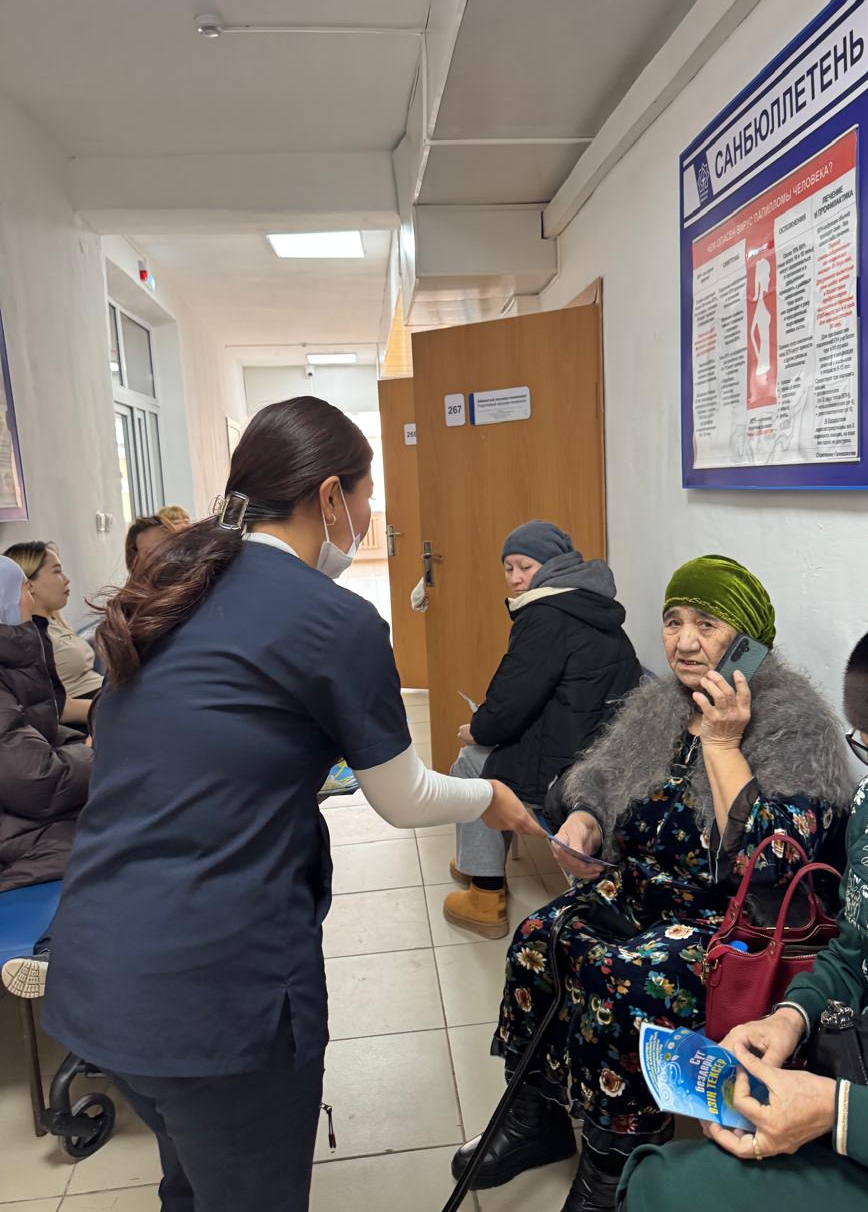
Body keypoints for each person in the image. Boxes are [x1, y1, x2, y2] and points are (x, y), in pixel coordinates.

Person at [41, 396, 541, 1212]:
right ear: (331, 496)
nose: (370, 518)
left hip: (98, 972)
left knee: (188, 1183)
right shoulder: (333, 620)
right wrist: (493, 797)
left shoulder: (173, 584)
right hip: (213, 996)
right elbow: (403, 794)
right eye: (369, 497)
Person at [452, 554, 854, 1212]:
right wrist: (586, 816)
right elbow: (597, 776)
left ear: (748, 640)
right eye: (673, 621)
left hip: (730, 924)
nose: (685, 641)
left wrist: (724, 744)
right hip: (644, 891)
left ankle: (613, 1169)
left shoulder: (793, 723)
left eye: (707, 624)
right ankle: (536, 1118)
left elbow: (772, 869)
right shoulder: (662, 701)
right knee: (538, 938)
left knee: (625, 978)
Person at [621, 606, 868, 1212]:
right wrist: (790, 1017)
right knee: (662, 1179)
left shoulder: (790, 725)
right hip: (867, 1075)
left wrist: (841, 1115)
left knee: (672, 1189)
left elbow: (767, 859)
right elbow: (854, 952)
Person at [444, 521, 641, 938]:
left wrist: (478, 729)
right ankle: (476, 858)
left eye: (525, 567)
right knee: (488, 751)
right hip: (599, 745)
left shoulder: (545, 615)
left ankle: (484, 894)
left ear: (553, 566)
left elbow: (510, 700)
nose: (515, 578)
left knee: (471, 765)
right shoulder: (590, 602)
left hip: (566, 762)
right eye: (508, 568)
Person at [0, 555, 92, 998]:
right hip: (16, 831)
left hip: (23, 818)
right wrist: (98, 755)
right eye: (23, 587)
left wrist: (87, 749)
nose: (30, 595)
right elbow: (38, 783)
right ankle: (53, 950)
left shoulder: (16, 658)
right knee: (111, 840)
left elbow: (46, 733)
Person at [4, 541, 102, 726]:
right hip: (89, 717)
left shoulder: (54, 621)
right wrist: (115, 708)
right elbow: (58, 708)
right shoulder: (30, 638)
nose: (66, 579)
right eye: (57, 571)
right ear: (29, 584)